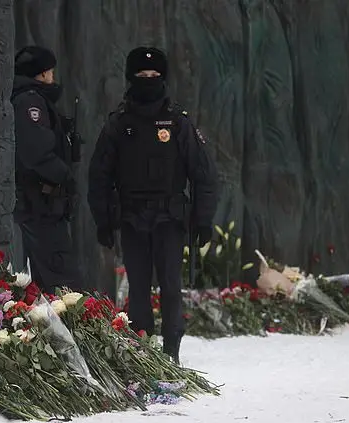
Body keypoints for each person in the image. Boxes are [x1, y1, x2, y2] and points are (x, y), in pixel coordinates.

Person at [87, 47, 218, 362]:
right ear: (131, 78)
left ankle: (172, 351)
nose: (148, 81)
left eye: (154, 76)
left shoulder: (177, 122)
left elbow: (203, 173)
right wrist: (103, 220)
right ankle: (144, 352)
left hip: (170, 218)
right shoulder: (118, 123)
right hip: (132, 218)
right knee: (139, 290)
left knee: (171, 287)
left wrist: (203, 219)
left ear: (164, 78)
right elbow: (99, 176)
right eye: (142, 76)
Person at [11, 45, 82, 294]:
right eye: (49, 72)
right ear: (41, 74)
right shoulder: (31, 101)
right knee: (61, 280)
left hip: (41, 202)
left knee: (49, 277)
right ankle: (66, 330)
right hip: (40, 202)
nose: (53, 77)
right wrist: (64, 175)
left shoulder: (28, 99)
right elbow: (35, 152)